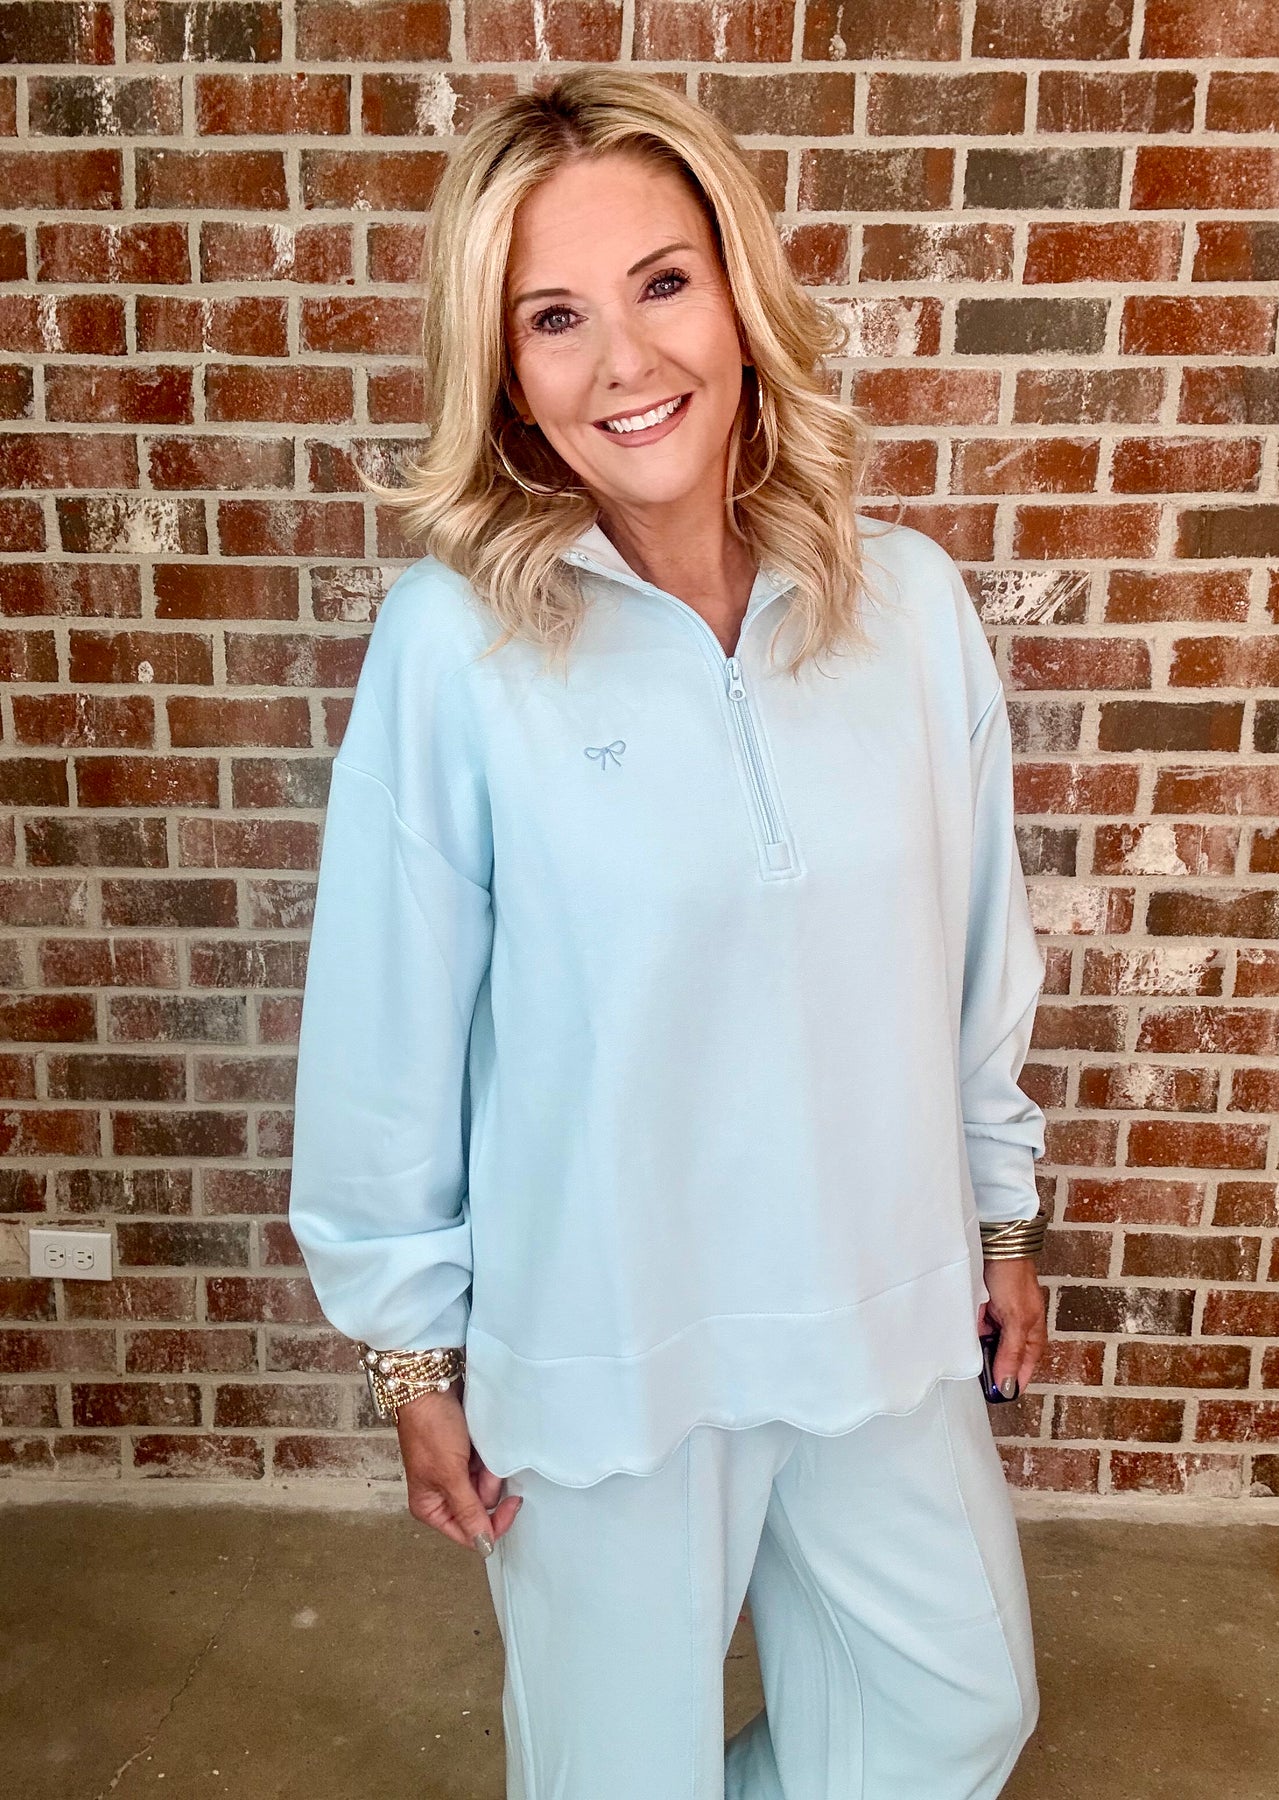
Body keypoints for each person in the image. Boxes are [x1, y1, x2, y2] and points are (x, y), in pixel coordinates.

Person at [287, 67, 1050, 1800]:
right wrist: (412, 1349)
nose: (625, 362)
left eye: (660, 283)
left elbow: (972, 962)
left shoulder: (908, 606)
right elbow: (387, 1026)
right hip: (606, 1337)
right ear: (503, 371)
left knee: (952, 1710)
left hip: (876, 1303)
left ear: (737, 289)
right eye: (553, 317)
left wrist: (997, 1212)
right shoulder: (454, 646)